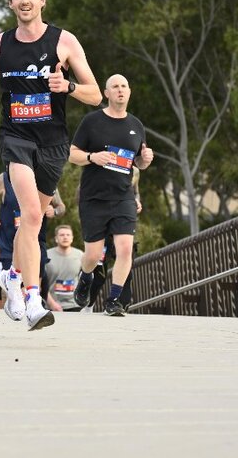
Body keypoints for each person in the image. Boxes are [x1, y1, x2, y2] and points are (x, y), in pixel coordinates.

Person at [0, 0, 101, 330]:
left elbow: (95, 94)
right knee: (32, 217)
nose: (25, 1)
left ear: (42, 0)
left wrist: (66, 87)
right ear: (10, 3)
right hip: (15, 138)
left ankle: (11, 276)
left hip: (53, 144)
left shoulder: (64, 41)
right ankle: (33, 298)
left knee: (30, 224)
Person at [69, 74, 154, 316]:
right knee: (94, 255)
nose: (120, 90)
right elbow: (71, 153)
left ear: (129, 92)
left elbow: (137, 161)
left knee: (125, 248)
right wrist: (91, 157)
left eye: (124, 86)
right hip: (94, 197)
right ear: (106, 93)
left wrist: (144, 161)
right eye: (115, 86)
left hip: (124, 196)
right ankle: (85, 277)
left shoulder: (136, 125)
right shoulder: (91, 121)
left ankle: (114, 300)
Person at [0, 171, 64, 315]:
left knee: (36, 271)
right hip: (9, 238)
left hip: (36, 238)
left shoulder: (44, 177)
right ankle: (10, 306)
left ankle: (33, 306)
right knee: (9, 273)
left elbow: (61, 206)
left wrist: (55, 211)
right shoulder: (7, 177)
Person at [44, 224, 84, 312]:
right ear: (56, 239)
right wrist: (51, 303)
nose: (65, 237)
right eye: (62, 235)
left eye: (68, 235)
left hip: (75, 304)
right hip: (52, 306)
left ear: (72, 238)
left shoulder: (80, 255)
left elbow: (86, 280)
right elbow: (40, 282)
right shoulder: (46, 255)